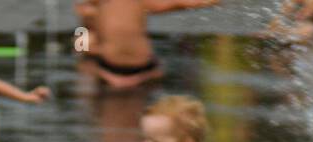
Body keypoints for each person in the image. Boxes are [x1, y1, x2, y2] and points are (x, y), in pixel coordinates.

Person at [74, 0, 219, 88]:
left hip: (143, 70)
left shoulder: (138, 2)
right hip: (111, 71)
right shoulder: (89, 9)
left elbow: (176, 3)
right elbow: (80, 44)